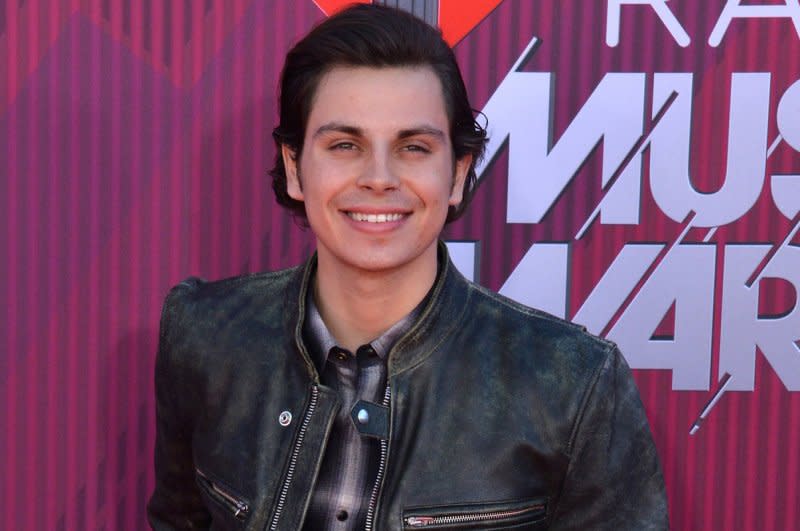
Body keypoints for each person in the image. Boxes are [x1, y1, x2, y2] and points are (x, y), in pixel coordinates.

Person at [147, 4, 668, 530]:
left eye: (413, 147)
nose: (379, 177)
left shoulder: (572, 386)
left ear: (459, 174)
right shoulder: (206, 338)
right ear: (295, 167)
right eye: (345, 145)